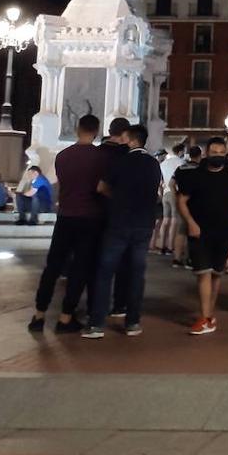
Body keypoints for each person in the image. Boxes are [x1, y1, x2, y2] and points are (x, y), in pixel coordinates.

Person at [28, 115, 111, 333]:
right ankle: (66, 317)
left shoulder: (63, 156)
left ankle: (39, 315)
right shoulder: (100, 157)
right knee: (79, 268)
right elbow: (101, 187)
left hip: (65, 215)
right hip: (89, 216)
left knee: (53, 266)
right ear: (96, 131)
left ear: (77, 129)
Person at [83, 123, 161, 339]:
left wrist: (116, 198)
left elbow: (101, 187)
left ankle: (97, 323)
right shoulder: (154, 164)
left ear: (132, 139)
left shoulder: (121, 161)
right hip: (143, 224)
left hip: (119, 223)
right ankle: (132, 322)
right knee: (137, 273)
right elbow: (155, 193)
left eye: (125, 137)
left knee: (105, 271)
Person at [175, 137, 228, 335]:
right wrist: (190, 223)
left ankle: (209, 314)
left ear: (226, 154)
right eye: (214, 152)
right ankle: (205, 318)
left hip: (224, 232)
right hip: (200, 232)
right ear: (206, 153)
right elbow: (181, 201)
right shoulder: (194, 176)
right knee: (203, 273)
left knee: (216, 274)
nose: (217, 156)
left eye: (221, 153)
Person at [154, 142, 186, 256]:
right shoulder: (181, 163)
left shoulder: (164, 163)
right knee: (174, 220)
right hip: (174, 192)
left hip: (165, 193)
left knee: (165, 220)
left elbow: (160, 181)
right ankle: (170, 246)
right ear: (181, 151)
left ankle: (161, 246)